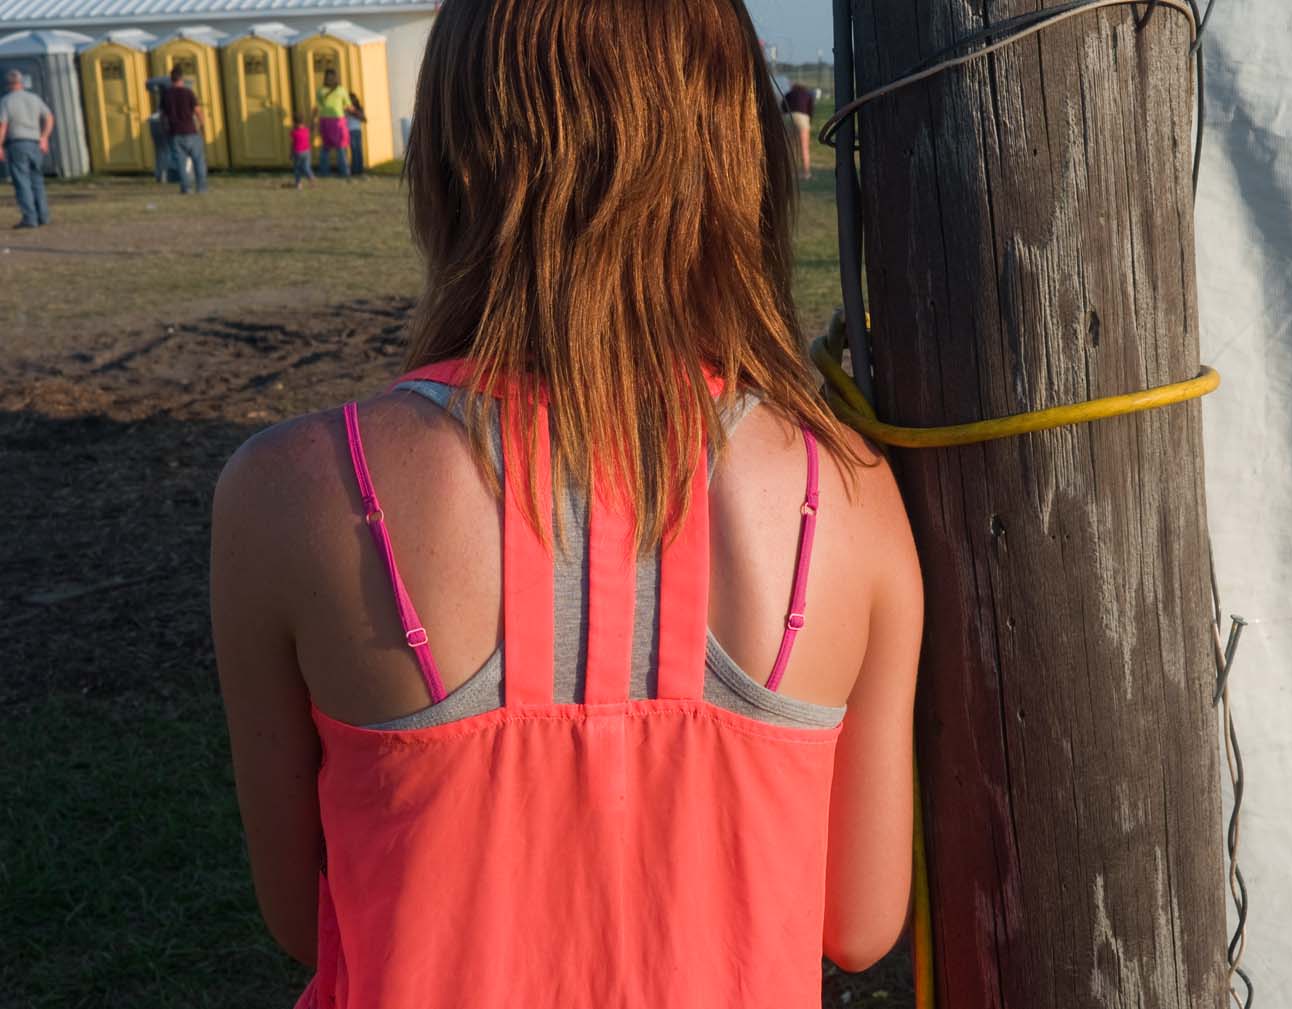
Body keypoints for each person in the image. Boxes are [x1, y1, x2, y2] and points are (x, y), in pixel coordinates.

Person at [211, 1, 923, 1005]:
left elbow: (304, 911)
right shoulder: (849, 495)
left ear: (456, 151)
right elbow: (858, 921)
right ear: (738, 155)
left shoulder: (288, 492)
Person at [0, 68, 53, 229]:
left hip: (17, 144)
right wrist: (44, 137)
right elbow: (49, 117)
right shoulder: (34, 98)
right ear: (21, 82)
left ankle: (30, 218)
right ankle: (43, 216)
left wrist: (0, 145)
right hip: (35, 143)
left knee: (22, 182)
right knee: (37, 180)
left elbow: (3, 125)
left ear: (8, 84)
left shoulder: (6, 101)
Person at [158, 65, 207, 194]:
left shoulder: (166, 95)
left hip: (175, 134)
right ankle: (201, 188)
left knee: (181, 164)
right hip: (191, 132)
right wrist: (202, 126)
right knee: (198, 161)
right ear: (181, 79)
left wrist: (164, 130)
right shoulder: (188, 93)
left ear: (171, 79)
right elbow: (198, 112)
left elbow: (162, 116)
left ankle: (186, 188)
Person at [312, 68, 354, 179]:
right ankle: (324, 171)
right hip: (325, 121)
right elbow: (317, 107)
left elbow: (348, 105)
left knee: (341, 147)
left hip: (338, 120)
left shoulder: (341, 90)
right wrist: (313, 120)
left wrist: (357, 113)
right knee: (325, 147)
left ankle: (344, 172)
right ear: (325, 78)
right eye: (328, 77)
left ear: (335, 78)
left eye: (332, 77)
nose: (330, 79)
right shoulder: (320, 91)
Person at [782, 80, 815, 181]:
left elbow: (783, 107)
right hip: (802, 118)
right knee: (804, 148)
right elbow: (810, 109)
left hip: (788, 118)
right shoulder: (807, 94)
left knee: (789, 148)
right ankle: (806, 173)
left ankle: (790, 173)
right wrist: (809, 121)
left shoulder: (788, 94)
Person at [290, 113, 313, 189]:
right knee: (306, 166)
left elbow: (292, 144)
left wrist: (291, 153)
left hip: (298, 152)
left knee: (297, 168)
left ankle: (298, 184)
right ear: (303, 122)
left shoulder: (294, 132)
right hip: (307, 151)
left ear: (294, 122)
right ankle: (310, 176)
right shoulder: (307, 130)